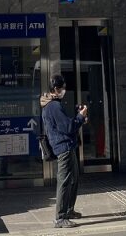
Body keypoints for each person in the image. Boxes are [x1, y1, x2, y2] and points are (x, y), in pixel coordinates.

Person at [40, 75, 88, 228]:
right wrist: (80, 117)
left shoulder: (49, 105)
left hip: (66, 146)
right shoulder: (54, 106)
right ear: (56, 89)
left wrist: (78, 118)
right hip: (63, 148)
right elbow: (68, 127)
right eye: (63, 88)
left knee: (74, 179)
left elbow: (64, 125)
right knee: (65, 182)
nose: (64, 90)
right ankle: (60, 218)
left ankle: (68, 210)